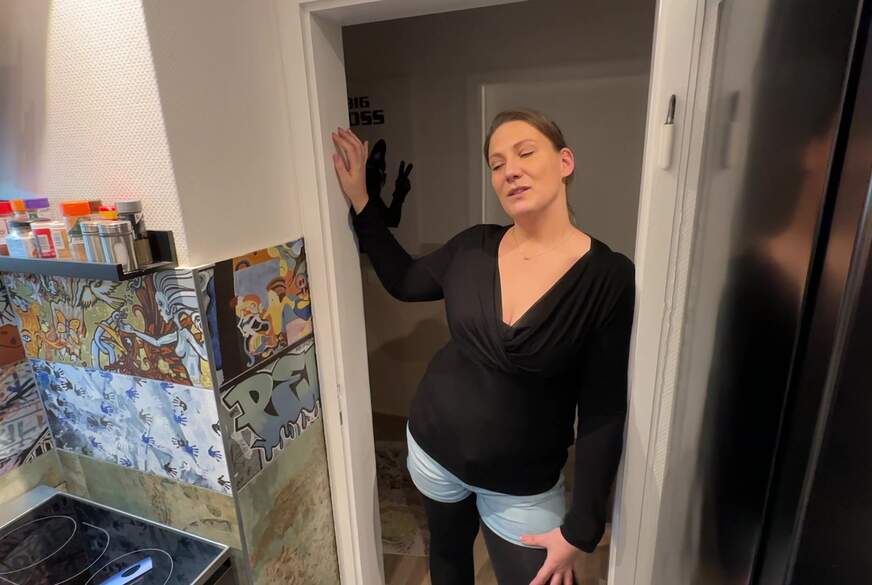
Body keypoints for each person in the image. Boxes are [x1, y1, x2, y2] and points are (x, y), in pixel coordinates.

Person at [331, 109, 635, 585]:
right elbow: (406, 280)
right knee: (448, 559)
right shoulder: (474, 246)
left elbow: (604, 406)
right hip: (433, 450)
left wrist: (583, 526)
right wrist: (362, 200)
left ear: (565, 162)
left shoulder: (607, 276)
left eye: (525, 153)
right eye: (496, 163)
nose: (510, 170)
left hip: (523, 485)